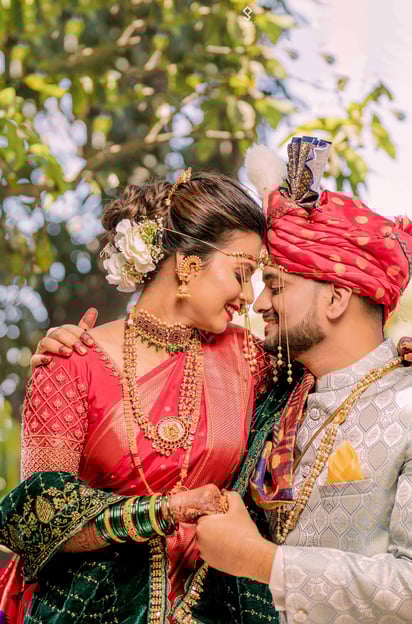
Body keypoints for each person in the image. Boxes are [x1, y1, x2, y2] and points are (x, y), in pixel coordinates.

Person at [176, 137, 412, 624]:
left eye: (276, 285)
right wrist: (80, 349)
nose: (258, 303)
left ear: (337, 298)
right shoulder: (276, 399)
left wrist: (260, 561)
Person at [0, 169, 271, 624]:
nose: (248, 295)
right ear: (188, 263)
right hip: (91, 609)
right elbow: (41, 518)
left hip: (212, 606)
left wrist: (390, 356)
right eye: (241, 273)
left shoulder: (247, 359)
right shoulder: (72, 364)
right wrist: (165, 510)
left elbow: (325, 385)